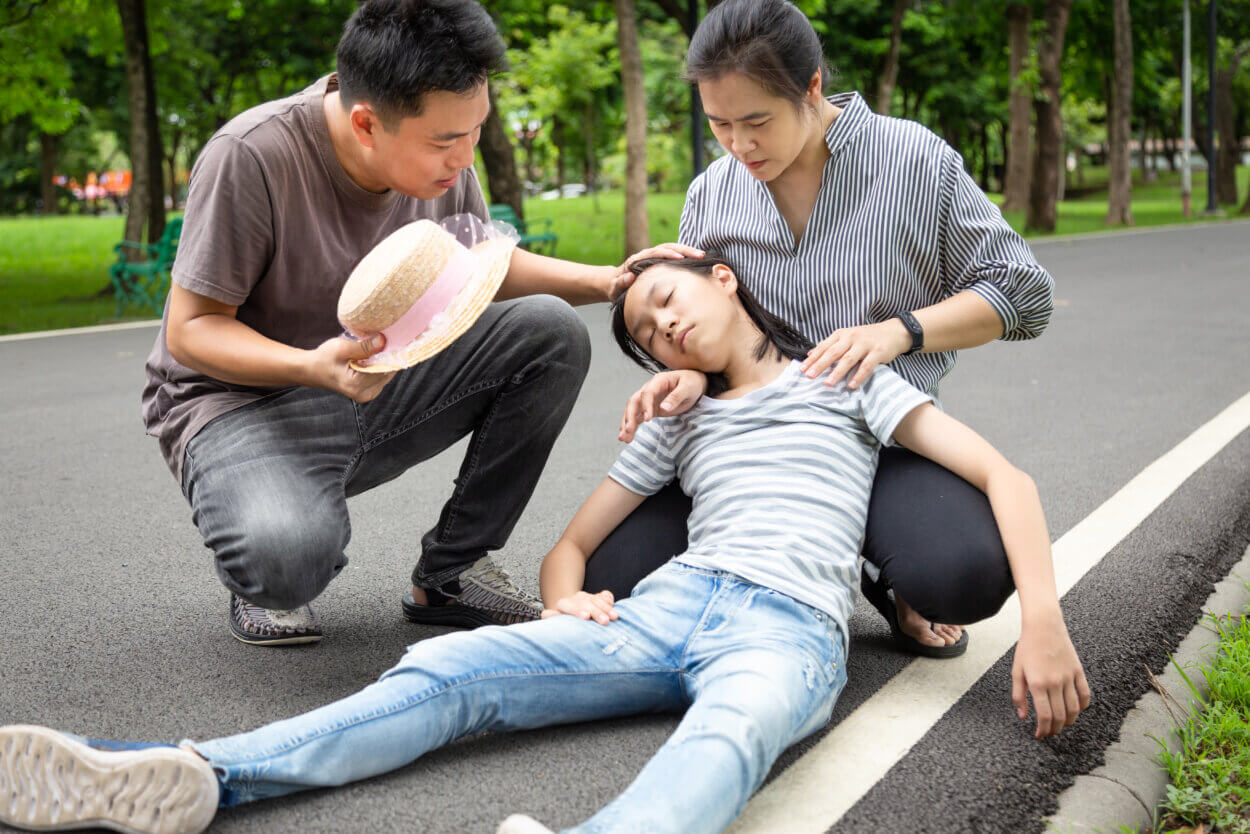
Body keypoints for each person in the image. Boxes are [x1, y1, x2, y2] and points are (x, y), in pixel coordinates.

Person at [0, 255, 1090, 834]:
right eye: (646, 333)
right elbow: (573, 549)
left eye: (666, 301)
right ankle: (199, 776)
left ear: (722, 278)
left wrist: (1040, 621)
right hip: (669, 607)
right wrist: (565, 596)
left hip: (789, 629)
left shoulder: (846, 379)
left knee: (725, 740)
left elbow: (1003, 477)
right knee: (448, 667)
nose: (661, 329)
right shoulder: (676, 417)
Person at [142, 0, 693, 645]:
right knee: (288, 561)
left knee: (548, 331)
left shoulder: (441, 155)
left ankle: (453, 569)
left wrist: (608, 281)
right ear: (367, 123)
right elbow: (192, 329)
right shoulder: (252, 157)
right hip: (239, 403)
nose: (464, 157)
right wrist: (309, 367)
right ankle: (272, 540)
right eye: (445, 142)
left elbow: (479, 268)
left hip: (370, 378)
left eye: (476, 131)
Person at [589, 0, 1056, 658]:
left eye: (756, 121)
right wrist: (688, 375)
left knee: (963, 574)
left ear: (811, 88)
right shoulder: (712, 194)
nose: (738, 145)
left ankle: (879, 573)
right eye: (719, 124)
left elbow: (1024, 293)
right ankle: (804, 563)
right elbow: (703, 321)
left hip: (882, 434)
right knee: (612, 577)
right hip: (752, 445)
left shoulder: (913, 161)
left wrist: (899, 333)